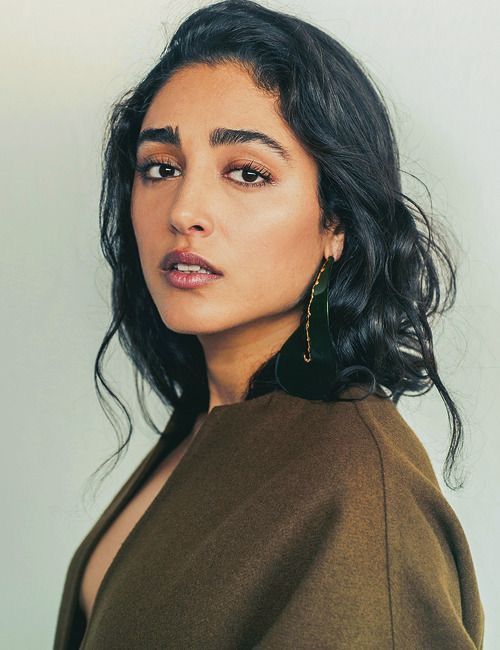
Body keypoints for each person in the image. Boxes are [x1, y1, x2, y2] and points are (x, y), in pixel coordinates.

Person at [53, 1, 485, 648]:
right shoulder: (213, 425)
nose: (185, 210)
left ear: (335, 223)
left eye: (247, 173)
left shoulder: (356, 488)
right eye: (161, 168)